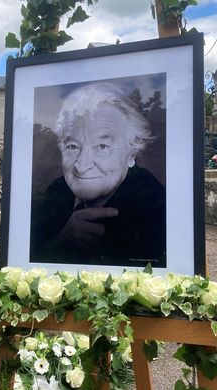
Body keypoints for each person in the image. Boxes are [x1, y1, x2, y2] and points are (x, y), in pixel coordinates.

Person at [30, 82, 166, 267]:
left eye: (102, 146)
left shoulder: (153, 203)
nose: (82, 165)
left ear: (131, 154)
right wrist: (63, 240)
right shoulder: (58, 190)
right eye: (72, 146)